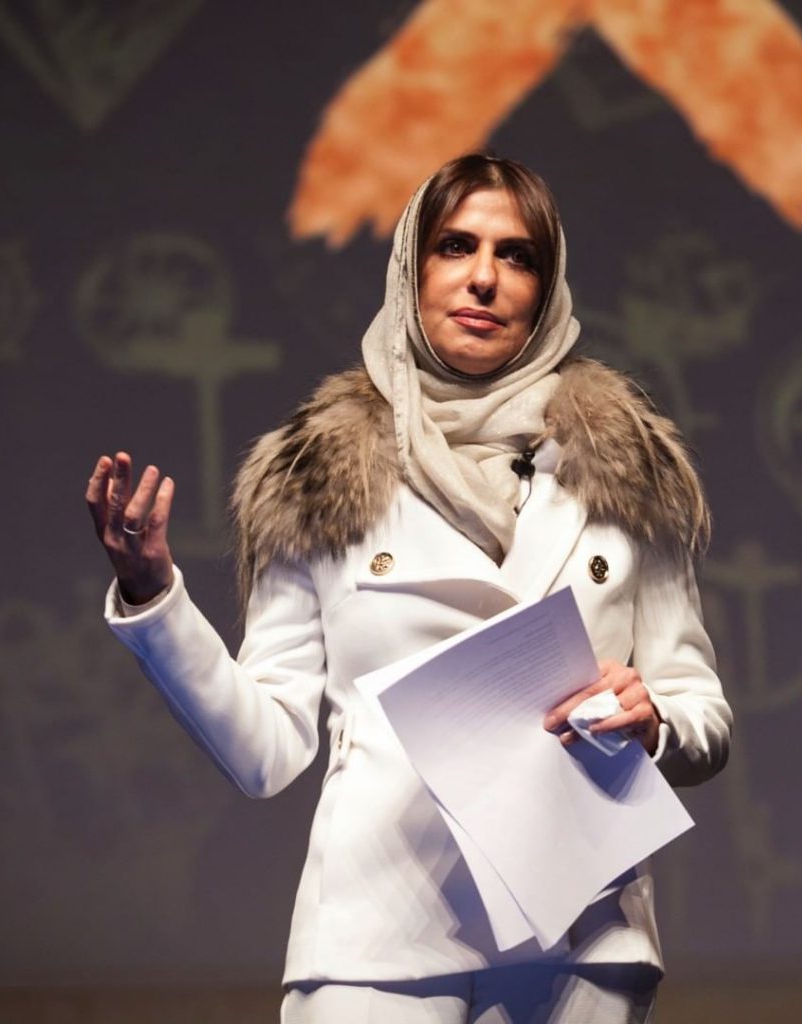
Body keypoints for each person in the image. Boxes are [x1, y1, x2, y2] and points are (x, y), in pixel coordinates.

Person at [86, 154, 732, 1023]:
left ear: (547, 288)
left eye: (517, 255)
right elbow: (264, 752)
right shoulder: (317, 477)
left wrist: (654, 721)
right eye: (456, 246)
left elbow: (701, 714)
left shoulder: (628, 471)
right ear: (410, 270)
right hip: (379, 938)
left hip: (580, 938)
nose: (484, 277)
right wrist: (154, 597)